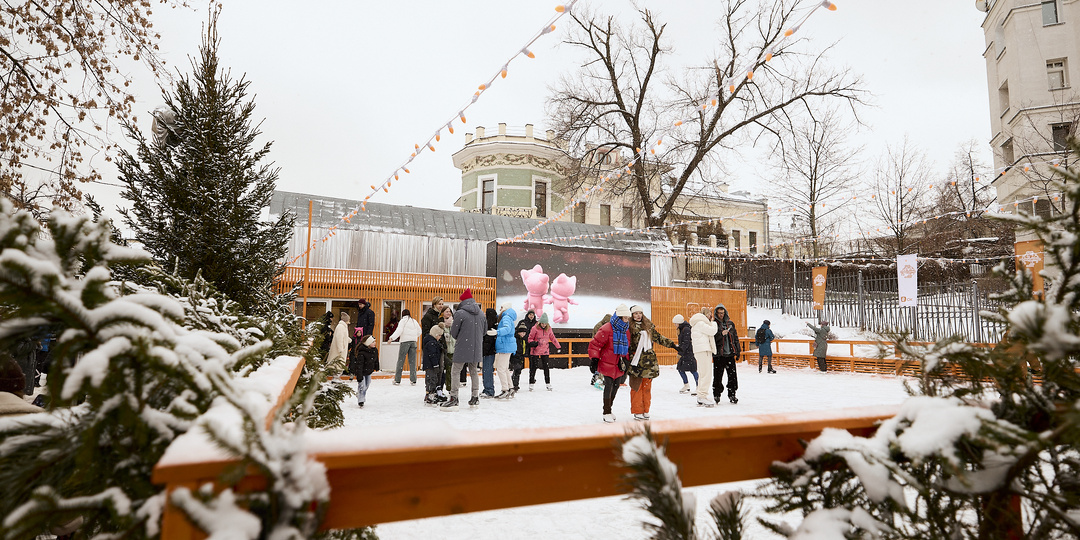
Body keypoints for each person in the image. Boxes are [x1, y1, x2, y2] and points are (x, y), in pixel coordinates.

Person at [626, 305, 677, 420]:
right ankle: (637, 410)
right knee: (636, 387)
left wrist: (672, 345)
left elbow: (658, 337)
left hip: (648, 362)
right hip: (636, 362)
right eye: (635, 313)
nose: (638, 315)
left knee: (647, 387)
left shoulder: (648, 326)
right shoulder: (628, 328)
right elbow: (627, 344)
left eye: (640, 313)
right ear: (632, 315)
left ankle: (646, 409)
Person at [589, 304, 631, 423]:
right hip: (607, 362)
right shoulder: (607, 328)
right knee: (608, 385)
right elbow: (595, 344)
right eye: (625, 317)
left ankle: (609, 408)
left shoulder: (626, 330)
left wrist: (626, 360)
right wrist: (594, 359)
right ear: (619, 317)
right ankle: (606, 411)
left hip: (618, 364)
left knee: (616, 385)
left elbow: (626, 347)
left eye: (628, 318)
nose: (627, 320)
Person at [447, 288, 484, 410]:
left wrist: (463, 337)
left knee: (456, 371)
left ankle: (454, 397)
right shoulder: (481, 313)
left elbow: (453, 332)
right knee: (474, 371)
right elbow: (484, 332)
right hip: (476, 347)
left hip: (462, 346)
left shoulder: (460, 313)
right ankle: (475, 397)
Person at [712, 304, 740, 404]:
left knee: (732, 376)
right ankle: (716, 394)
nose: (721, 315)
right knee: (717, 376)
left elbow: (735, 338)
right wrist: (720, 334)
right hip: (719, 355)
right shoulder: (713, 324)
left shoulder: (730, 323)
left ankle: (732, 394)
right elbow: (712, 338)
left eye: (722, 313)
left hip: (730, 354)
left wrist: (738, 351)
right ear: (716, 313)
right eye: (719, 313)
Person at [691, 308, 718, 406]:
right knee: (706, 374)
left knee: (703, 373)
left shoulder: (697, 323)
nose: (710, 316)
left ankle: (701, 394)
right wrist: (714, 323)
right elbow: (712, 331)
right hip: (704, 350)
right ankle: (702, 395)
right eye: (709, 315)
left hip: (700, 350)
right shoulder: (701, 323)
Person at [527, 313, 561, 391]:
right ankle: (531, 383)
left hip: (545, 351)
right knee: (533, 367)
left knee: (546, 367)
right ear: (540, 322)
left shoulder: (549, 329)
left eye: (545, 323)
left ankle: (548, 383)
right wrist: (534, 343)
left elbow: (552, 338)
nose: (543, 325)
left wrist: (558, 346)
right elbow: (530, 338)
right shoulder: (534, 328)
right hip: (535, 351)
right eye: (542, 323)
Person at [388, 309, 422, 385]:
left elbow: (399, 330)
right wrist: (414, 337)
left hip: (405, 342)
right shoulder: (414, 321)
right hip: (413, 342)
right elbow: (420, 331)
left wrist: (391, 338)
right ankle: (413, 380)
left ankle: (397, 380)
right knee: (412, 362)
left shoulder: (403, 321)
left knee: (401, 361)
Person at [494, 302, 518, 398]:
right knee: (505, 369)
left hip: (505, 345)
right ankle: (510, 387)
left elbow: (507, 329)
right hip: (507, 345)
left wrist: (497, 332)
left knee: (500, 369)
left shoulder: (506, 317)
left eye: (501, 307)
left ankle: (505, 389)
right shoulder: (508, 317)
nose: (500, 309)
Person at [350, 335, 378, 408]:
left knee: (367, 385)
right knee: (362, 386)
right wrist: (359, 376)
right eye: (373, 342)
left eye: (375, 341)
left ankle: (359, 394)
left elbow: (376, 360)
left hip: (368, 371)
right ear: (368, 343)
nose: (375, 343)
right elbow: (359, 365)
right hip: (361, 372)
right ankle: (361, 400)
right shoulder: (362, 353)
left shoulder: (374, 350)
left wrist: (377, 366)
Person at [673, 314, 698, 393]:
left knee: (693, 370)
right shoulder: (682, 329)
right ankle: (686, 385)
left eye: (675, 323)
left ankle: (699, 386)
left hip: (689, 353)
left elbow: (686, 343)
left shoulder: (686, 329)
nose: (675, 325)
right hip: (685, 353)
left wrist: (680, 352)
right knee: (680, 369)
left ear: (679, 323)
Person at [422, 326, 447, 405]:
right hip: (430, 366)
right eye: (439, 335)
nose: (440, 337)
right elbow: (433, 355)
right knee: (431, 380)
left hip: (431, 365)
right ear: (435, 334)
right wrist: (436, 365)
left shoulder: (433, 342)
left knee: (434, 379)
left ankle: (432, 394)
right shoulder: (431, 343)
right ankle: (429, 395)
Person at [481, 307, 498, 398]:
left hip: (488, 352)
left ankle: (489, 390)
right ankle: (487, 389)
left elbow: (487, 342)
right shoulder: (494, 325)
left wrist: (483, 351)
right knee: (487, 370)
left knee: (487, 371)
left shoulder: (489, 326)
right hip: (490, 352)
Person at [509, 320, 529, 396]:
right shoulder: (516, 339)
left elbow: (525, 348)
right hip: (515, 357)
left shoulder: (523, 340)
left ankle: (514, 384)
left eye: (524, 333)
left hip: (520, 357)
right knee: (517, 370)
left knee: (517, 371)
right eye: (522, 333)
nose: (523, 334)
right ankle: (514, 385)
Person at [439, 306, 456, 392]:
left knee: (450, 370)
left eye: (449, 311)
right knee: (442, 370)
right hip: (443, 349)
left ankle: (450, 388)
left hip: (452, 349)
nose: (448, 313)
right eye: (446, 311)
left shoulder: (454, 323)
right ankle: (440, 388)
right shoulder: (440, 323)